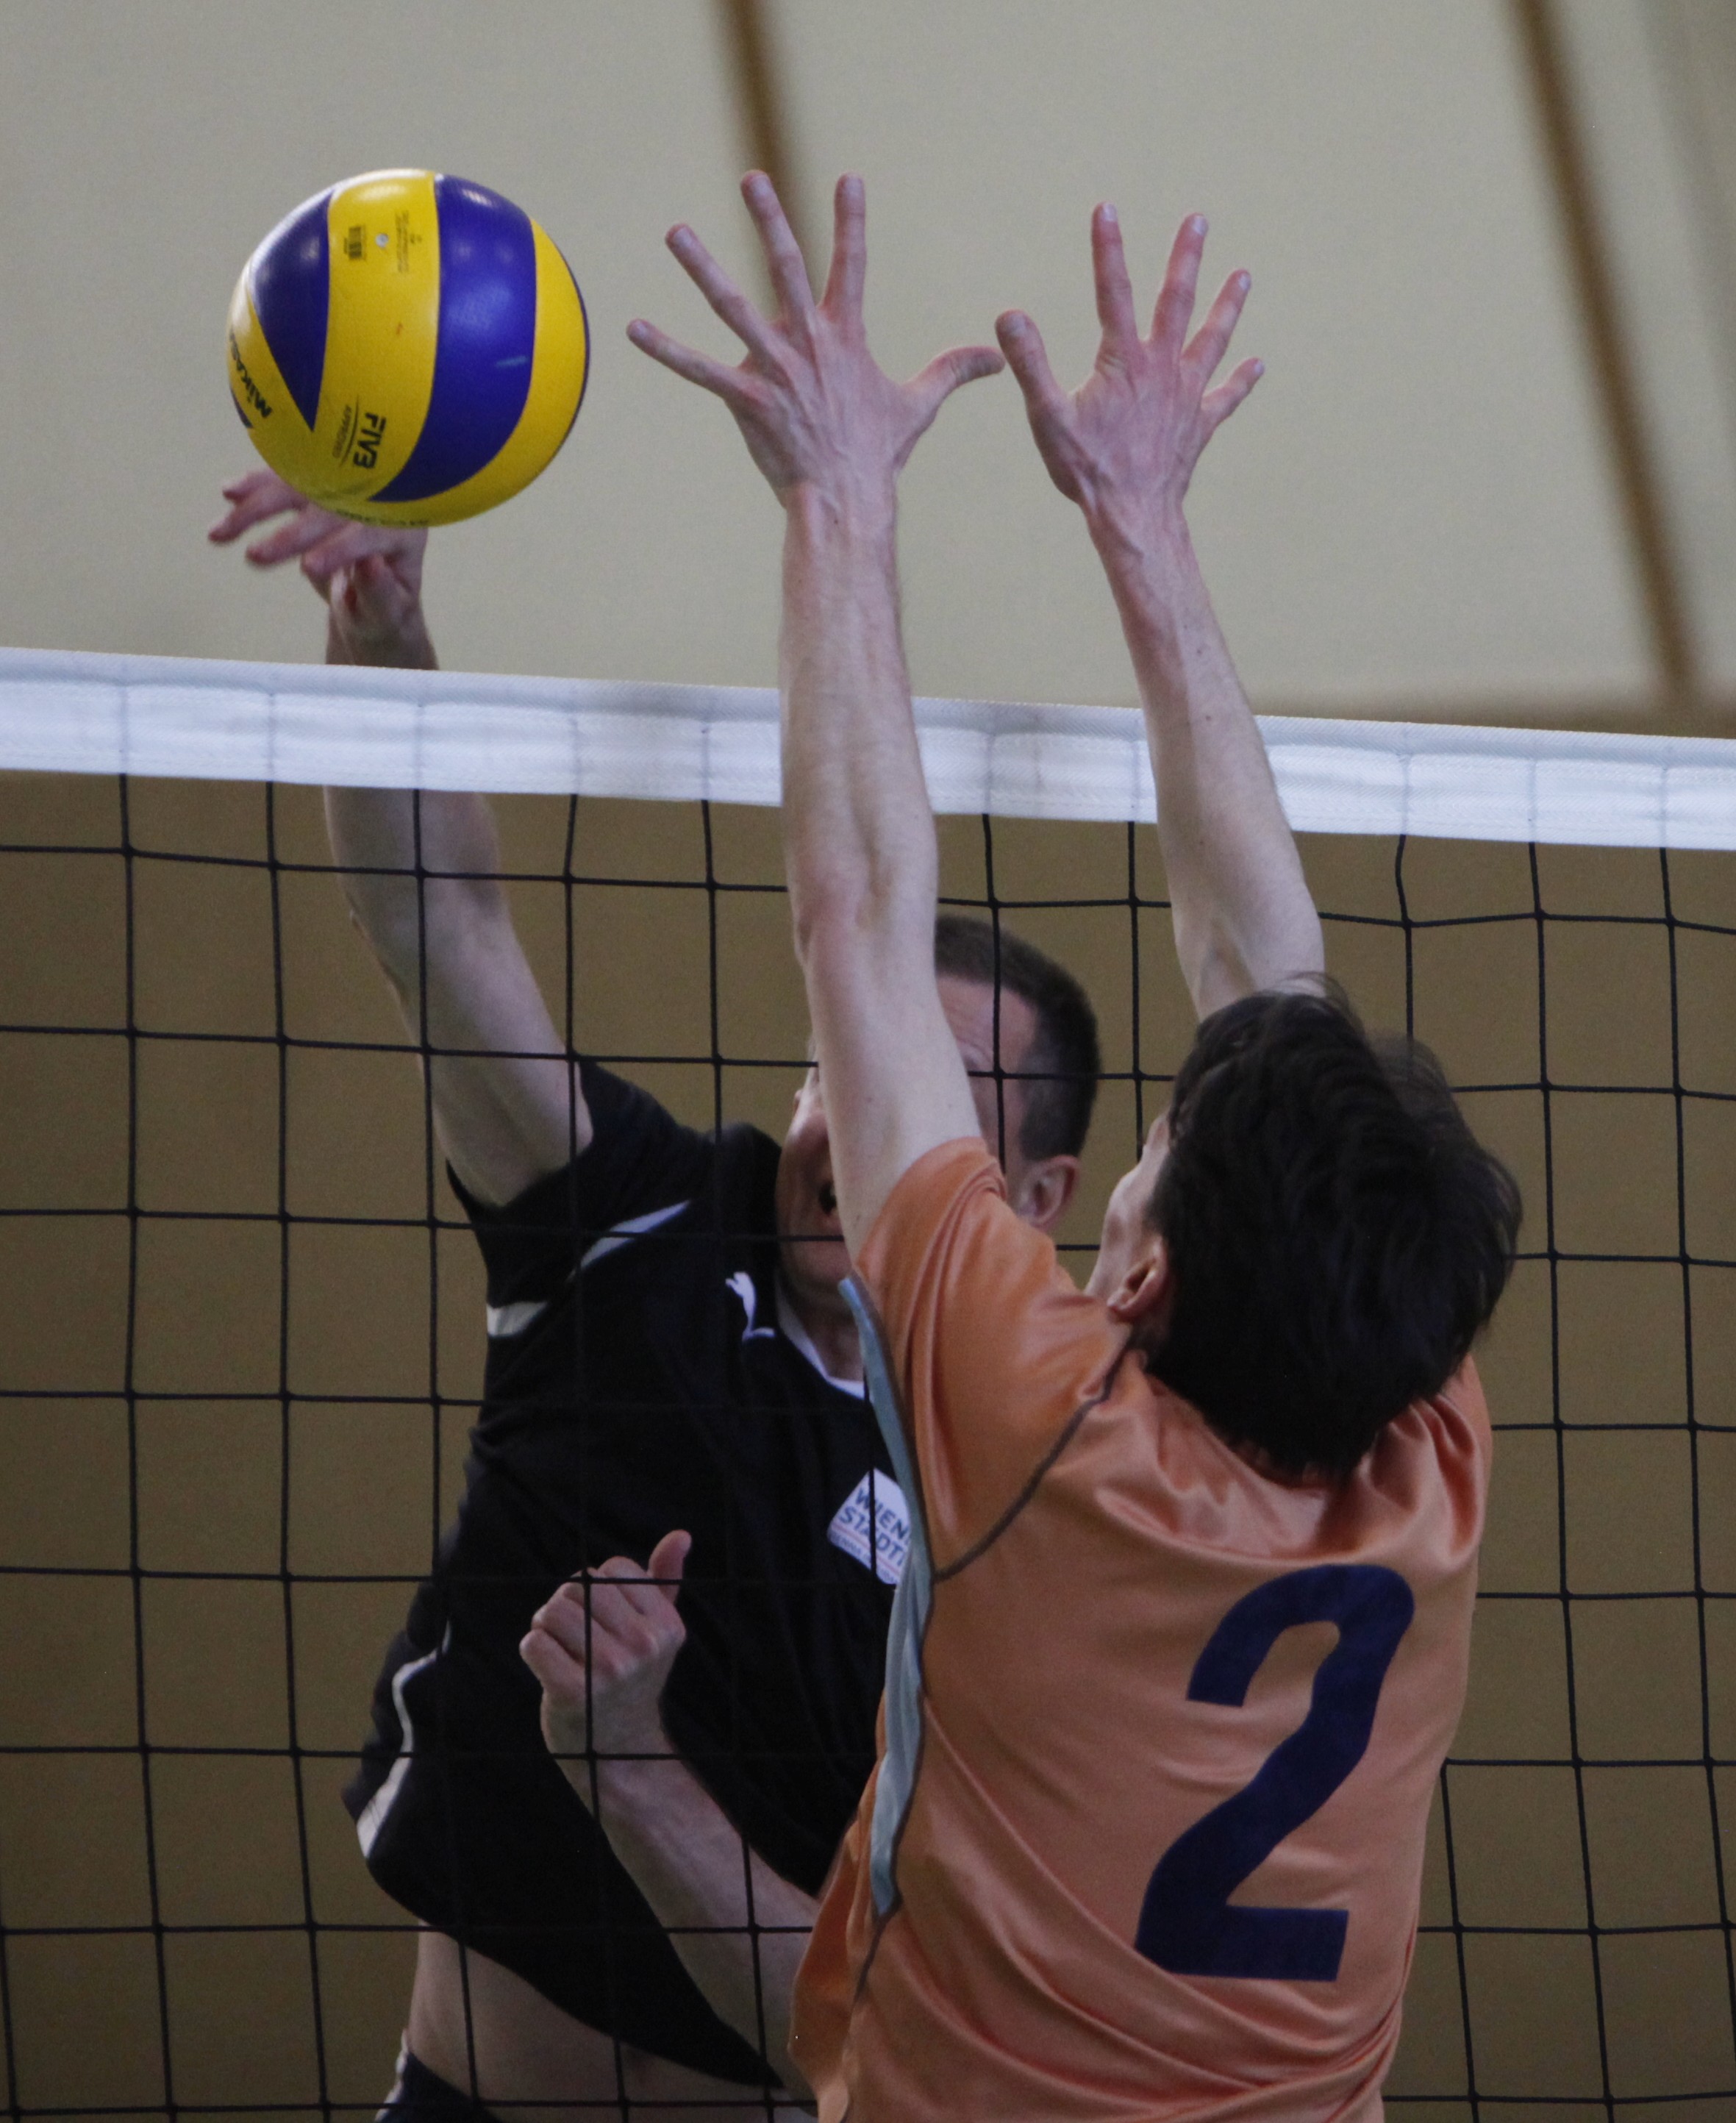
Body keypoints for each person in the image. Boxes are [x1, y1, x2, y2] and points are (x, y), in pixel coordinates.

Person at [525, 174, 1521, 2119]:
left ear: (1131, 1272)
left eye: (1141, 1158)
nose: (1134, 1158)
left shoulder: (1042, 1418)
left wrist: (838, 493)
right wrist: (1141, 522)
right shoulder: (1424, 1446)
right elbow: (1268, 983)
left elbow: (857, 918)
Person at [208, 472, 1102, 2119]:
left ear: (1038, 1201)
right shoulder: (636, 1228)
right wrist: (385, 642)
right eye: (844, 1071)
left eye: (925, 1103)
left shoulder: (1042, 1461)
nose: (852, 1133)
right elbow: (437, 926)